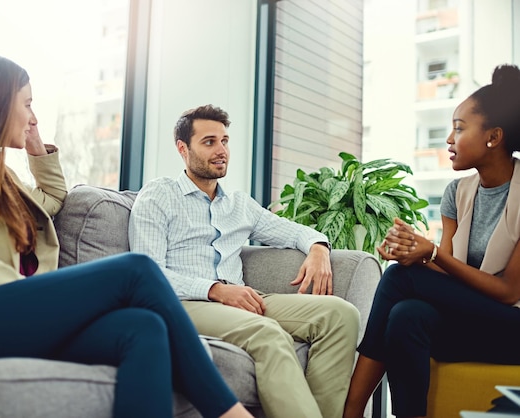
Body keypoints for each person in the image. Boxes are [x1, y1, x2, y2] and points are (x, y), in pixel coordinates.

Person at [0, 53, 253, 418]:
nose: (33, 117)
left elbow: (50, 198)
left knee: (143, 327)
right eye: (27, 104)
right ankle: (230, 413)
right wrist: (49, 301)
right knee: (136, 270)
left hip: (2, 315)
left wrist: (36, 148)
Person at [128, 104, 361, 418]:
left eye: (224, 141)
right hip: (182, 302)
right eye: (209, 142)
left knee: (340, 315)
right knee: (268, 334)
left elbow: (294, 232)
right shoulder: (158, 195)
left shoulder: (239, 204)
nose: (221, 150)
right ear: (183, 149)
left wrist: (319, 248)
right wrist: (215, 290)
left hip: (240, 300)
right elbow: (148, 273)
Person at [342, 64, 520, 418]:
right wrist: (414, 252)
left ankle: (350, 411)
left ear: (494, 137)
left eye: (458, 129)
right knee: (407, 315)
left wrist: (432, 252)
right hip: (475, 322)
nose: (449, 140)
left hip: (512, 328)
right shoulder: (458, 193)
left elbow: (509, 292)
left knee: (396, 279)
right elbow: (449, 276)